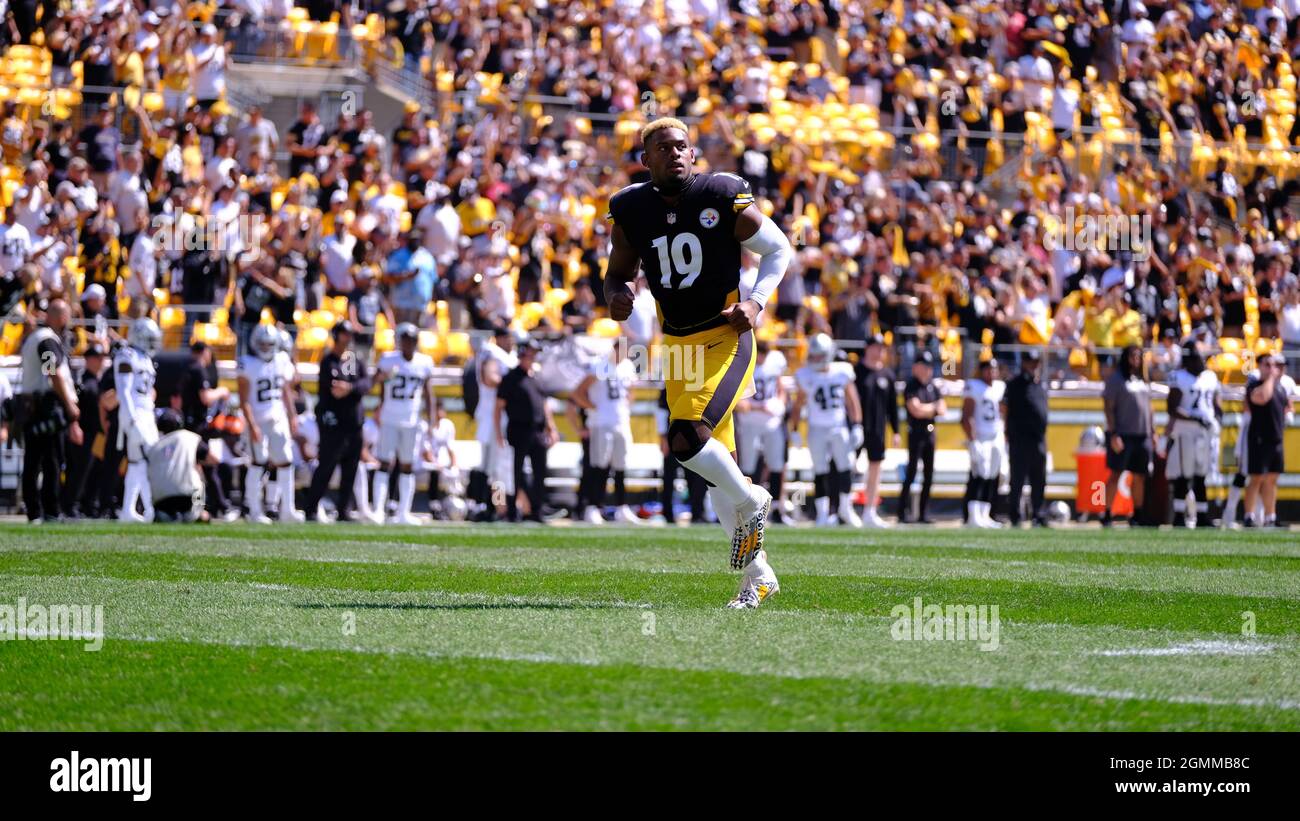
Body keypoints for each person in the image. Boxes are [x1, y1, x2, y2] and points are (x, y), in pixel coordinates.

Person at [605, 118, 792, 609]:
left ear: (695, 153)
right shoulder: (631, 207)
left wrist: (755, 302)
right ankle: (759, 576)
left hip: (727, 335)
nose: (675, 154)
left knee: (687, 439)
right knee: (714, 472)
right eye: (663, 147)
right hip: (679, 345)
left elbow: (777, 249)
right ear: (646, 160)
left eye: (683, 146)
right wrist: (616, 294)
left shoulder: (719, 194)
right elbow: (618, 272)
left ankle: (754, 499)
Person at [19, 299, 82, 522]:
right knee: (51, 460)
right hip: (46, 406)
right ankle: (50, 510)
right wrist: (69, 404)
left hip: (31, 405)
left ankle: (35, 511)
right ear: (60, 316)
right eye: (66, 316)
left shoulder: (34, 338)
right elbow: (52, 373)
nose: (68, 322)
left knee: (33, 460)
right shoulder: (47, 340)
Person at [791, 333, 863, 527]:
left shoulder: (842, 371)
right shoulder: (805, 375)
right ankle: (823, 514)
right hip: (817, 428)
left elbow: (852, 399)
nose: (814, 359)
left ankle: (846, 509)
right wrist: (795, 429)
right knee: (820, 470)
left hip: (838, 426)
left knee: (845, 467)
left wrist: (857, 425)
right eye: (812, 355)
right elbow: (798, 404)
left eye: (818, 355)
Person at [304, 321, 372, 522]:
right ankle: (311, 508)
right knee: (326, 466)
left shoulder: (353, 360)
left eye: (349, 334)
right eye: (344, 333)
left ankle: (344, 510)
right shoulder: (328, 361)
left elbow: (365, 383)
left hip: (353, 423)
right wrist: (350, 388)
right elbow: (334, 390)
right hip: (334, 424)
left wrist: (350, 388)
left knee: (350, 469)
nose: (347, 338)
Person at [371, 323, 436, 525]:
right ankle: (378, 510)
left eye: (412, 340)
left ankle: (403, 512)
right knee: (384, 462)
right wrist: (382, 396)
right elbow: (377, 383)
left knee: (407, 466)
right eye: (405, 339)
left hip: (411, 420)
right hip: (390, 417)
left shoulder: (424, 362)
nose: (409, 343)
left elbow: (428, 393)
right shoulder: (388, 360)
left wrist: (432, 419)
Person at [237, 324, 302, 523]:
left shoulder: (282, 360)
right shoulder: (247, 363)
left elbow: (286, 391)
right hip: (259, 420)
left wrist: (292, 416)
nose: (265, 348)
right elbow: (244, 400)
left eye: (269, 344)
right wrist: (253, 425)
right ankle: (254, 511)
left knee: (286, 462)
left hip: (278, 418)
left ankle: (287, 510)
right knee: (258, 463)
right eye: (262, 344)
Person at [574, 344, 639, 524]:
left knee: (620, 465)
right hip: (601, 423)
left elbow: (631, 390)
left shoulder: (627, 367)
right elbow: (578, 393)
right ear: (614, 349)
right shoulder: (601, 365)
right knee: (599, 465)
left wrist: (625, 405)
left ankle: (621, 507)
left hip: (621, 422)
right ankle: (593, 507)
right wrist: (594, 408)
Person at [496, 338, 559, 523]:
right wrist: (498, 433)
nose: (532, 356)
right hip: (518, 430)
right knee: (514, 473)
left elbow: (544, 405)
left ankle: (537, 511)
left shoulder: (537, 378)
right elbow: (498, 407)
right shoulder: (510, 378)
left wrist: (551, 427)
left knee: (540, 472)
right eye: (530, 352)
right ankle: (512, 512)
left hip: (538, 431)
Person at [1163, 342, 1221, 528]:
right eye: (1198, 356)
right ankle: (1179, 515)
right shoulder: (1179, 377)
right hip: (1184, 432)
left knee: (1201, 475)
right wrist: (1196, 419)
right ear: (1188, 359)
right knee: (1183, 474)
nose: (1202, 361)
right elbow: (1172, 408)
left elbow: (1215, 404)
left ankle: (1202, 515)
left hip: (1205, 433)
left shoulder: (1210, 377)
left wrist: (1216, 419)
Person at [735, 340, 789, 522]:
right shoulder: (743, 363)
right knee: (748, 467)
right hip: (749, 423)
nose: (763, 358)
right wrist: (760, 407)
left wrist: (780, 402)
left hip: (772, 422)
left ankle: (776, 510)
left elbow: (780, 386)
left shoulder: (775, 361)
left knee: (776, 465)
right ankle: (749, 508)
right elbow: (738, 403)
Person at [1101, 345, 1155, 527]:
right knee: (1116, 474)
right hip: (1123, 434)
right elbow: (1108, 407)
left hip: (1142, 434)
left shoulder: (1142, 379)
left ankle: (1136, 514)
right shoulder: (1116, 379)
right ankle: (1107, 513)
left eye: (1139, 356)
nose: (1136, 360)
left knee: (1139, 475)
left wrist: (1152, 431)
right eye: (1133, 356)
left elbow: (1149, 407)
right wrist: (1113, 432)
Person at [179, 341, 234, 519]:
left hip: (189, 424)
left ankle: (216, 506)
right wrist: (222, 391)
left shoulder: (185, 367)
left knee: (205, 468)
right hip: (197, 427)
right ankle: (219, 507)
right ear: (204, 352)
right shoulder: (198, 369)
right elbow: (205, 398)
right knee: (210, 463)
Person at [116, 317, 162, 522]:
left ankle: (128, 509)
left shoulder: (145, 358)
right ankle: (151, 508)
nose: (152, 344)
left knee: (136, 463)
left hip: (146, 414)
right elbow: (123, 391)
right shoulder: (127, 355)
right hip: (135, 414)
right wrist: (131, 419)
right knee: (145, 461)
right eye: (149, 339)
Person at [470, 327, 517, 521]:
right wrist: (513, 384)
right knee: (493, 468)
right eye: (508, 338)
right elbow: (489, 378)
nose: (511, 342)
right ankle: (487, 506)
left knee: (498, 468)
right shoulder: (492, 353)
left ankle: (494, 507)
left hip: (501, 418)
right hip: (492, 419)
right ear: (499, 338)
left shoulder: (507, 356)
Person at [1243, 354, 1293, 528]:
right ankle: (1249, 515)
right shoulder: (1254, 385)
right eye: (1268, 364)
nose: (1273, 367)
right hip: (1259, 439)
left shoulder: (1281, 387)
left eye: (1275, 365)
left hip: (1276, 439)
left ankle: (1270, 516)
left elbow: (1287, 406)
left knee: (1272, 479)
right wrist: (1271, 377)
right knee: (1256, 478)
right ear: (1260, 366)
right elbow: (1262, 398)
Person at [854, 334, 899, 528]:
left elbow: (893, 407)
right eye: (877, 347)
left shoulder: (887, 375)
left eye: (882, 347)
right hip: (856, 428)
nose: (880, 351)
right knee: (846, 467)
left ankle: (869, 510)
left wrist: (895, 430)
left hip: (878, 429)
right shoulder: (856, 372)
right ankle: (840, 508)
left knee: (875, 469)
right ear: (868, 348)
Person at [898, 350, 945, 524]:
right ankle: (902, 512)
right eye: (924, 366)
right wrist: (933, 408)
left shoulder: (933, 386)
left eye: (928, 366)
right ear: (916, 367)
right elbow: (915, 410)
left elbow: (943, 408)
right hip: (916, 432)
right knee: (911, 473)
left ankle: (923, 513)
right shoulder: (911, 385)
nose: (927, 370)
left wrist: (928, 408)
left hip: (930, 432)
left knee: (929, 474)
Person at [1004, 349, 1050, 527]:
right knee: (1017, 479)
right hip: (1020, 439)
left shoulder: (1040, 384)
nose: (1034, 365)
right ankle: (1015, 515)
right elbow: (1005, 408)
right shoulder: (1015, 384)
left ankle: (1038, 514)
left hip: (1038, 439)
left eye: (1036, 362)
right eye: (1031, 362)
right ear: (1023, 363)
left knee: (1039, 479)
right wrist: (1008, 432)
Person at [61, 342, 107, 519]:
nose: (100, 361)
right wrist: (75, 426)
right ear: (88, 359)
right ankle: (70, 505)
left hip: (97, 435)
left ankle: (88, 504)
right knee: (79, 471)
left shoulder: (99, 382)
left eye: (102, 357)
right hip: (84, 433)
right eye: (97, 357)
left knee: (94, 471)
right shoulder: (83, 382)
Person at [148, 410, 218, 523]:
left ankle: (166, 516)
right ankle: (199, 513)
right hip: (188, 496)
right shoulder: (188, 437)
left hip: (161, 501)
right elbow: (214, 459)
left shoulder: (155, 446)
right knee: (198, 474)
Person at [961, 358, 1007, 529]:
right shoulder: (974, 386)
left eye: (994, 369)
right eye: (988, 369)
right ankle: (972, 515)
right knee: (979, 475)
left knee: (992, 475)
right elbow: (966, 415)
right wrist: (973, 440)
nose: (992, 373)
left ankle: (985, 514)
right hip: (980, 436)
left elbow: (1003, 411)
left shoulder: (999, 387)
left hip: (996, 435)